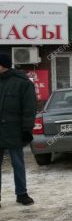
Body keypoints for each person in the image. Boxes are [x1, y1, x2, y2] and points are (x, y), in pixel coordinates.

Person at [0, 53, 37, 207]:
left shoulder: (22, 82)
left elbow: (29, 109)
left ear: (2, 65)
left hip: (14, 130)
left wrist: (26, 129)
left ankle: (21, 194)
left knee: (18, 163)